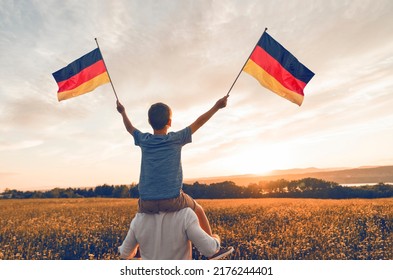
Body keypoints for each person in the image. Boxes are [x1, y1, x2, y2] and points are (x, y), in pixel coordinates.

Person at [116, 95, 230, 258]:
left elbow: (129, 128)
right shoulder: (176, 139)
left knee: (144, 226)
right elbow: (199, 122)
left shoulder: (144, 139)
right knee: (198, 208)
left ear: (149, 122)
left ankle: (138, 251)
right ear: (169, 122)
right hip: (172, 199)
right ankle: (211, 247)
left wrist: (122, 112)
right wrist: (217, 106)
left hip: (145, 203)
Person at [118, 207, 233, 260]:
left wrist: (137, 251)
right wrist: (215, 238)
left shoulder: (139, 219)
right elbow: (209, 250)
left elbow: (124, 253)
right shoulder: (185, 214)